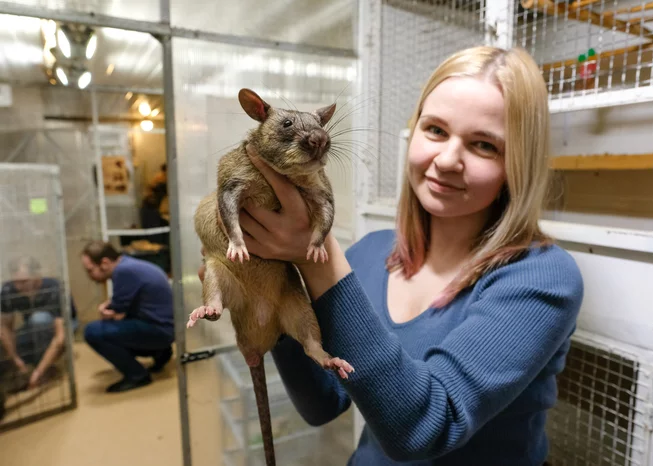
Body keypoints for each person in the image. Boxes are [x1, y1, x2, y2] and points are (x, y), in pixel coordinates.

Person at [198, 45, 585, 464]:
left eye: (484, 145)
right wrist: (265, 294)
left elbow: (425, 430)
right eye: (435, 130)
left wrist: (315, 258)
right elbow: (324, 403)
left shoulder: (542, 278)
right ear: (413, 133)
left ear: (519, 163)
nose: (448, 159)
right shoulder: (371, 253)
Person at [80, 240, 174, 393]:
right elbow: (122, 303)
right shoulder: (128, 264)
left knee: (93, 332)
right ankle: (160, 352)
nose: (90, 275)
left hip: (160, 330)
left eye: (90, 270)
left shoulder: (122, 272)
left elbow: (117, 308)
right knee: (118, 326)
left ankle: (137, 375)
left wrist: (105, 309)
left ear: (104, 263)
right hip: (165, 325)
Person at [0, 255, 78, 390]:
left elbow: (60, 337)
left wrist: (38, 372)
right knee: (10, 342)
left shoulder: (54, 287)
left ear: (36, 275)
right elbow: (5, 327)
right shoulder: (8, 289)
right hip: (33, 326)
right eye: (16, 282)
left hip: (65, 324)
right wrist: (15, 359)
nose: (19, 287)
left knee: (39, 320)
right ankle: (32, 364)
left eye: (24, 281)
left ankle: (43, 368)